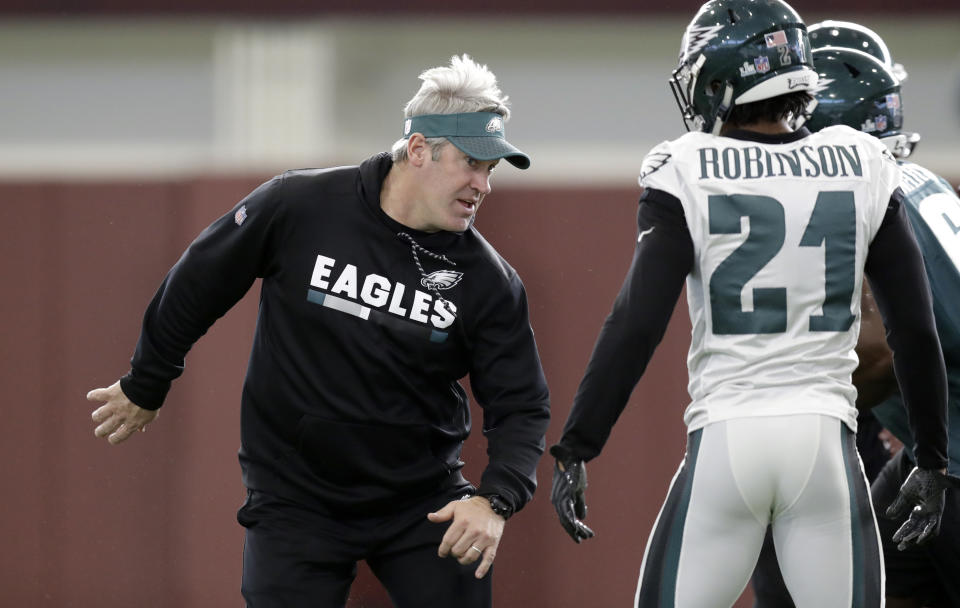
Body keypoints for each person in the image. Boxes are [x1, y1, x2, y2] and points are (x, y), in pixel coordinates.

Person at [87, 53, 551, 608]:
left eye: (490, 171)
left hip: (419, 502)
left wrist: (494, 501)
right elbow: (197, 283)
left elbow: (521, 404)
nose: (483, 185)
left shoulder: (489, 280)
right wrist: (147, 381)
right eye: (472, 163)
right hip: (294, 497)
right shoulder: (299, 205)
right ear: (420, 150)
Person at [547, 1, 955, 606]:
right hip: (824, 444)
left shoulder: (684, 167)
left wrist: (579, 443)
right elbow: (914, 332)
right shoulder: (862, 161)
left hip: (727, 439)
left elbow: (635, 324)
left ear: (720, 75)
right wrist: (931, 454)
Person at [752, 40, 960, 608]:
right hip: (934, 451)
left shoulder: (856, 199)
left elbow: (884, 350)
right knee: (871, 579)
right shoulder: (924, 183)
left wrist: (771, 401)